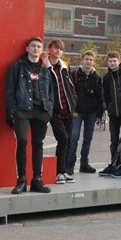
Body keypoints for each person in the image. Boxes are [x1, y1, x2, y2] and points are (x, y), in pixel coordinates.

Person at [5, 37, 54, 194]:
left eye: (39, 46)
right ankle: (21, 181)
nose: (36, 49)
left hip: (41, 111)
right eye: (33, 46)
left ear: (41, 50)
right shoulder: (17, 66)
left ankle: (37, 181)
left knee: (38, 144)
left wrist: (49, 112)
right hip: (22, 110)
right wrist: (13, 111)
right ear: (27, 48)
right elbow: (10, 90)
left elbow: (50, 92)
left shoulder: (45, 70)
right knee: (22, 141)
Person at [44, 39, 78, 182]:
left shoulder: (65, 67)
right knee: (63, 139)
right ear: (49, 49)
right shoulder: (43, 67)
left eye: (61, 49)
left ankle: (63, 171)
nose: (58, 51)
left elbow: (70, 87)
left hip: (68, 109)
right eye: (55, 48)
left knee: (68, 141)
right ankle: (59, 172)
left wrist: (73, 104)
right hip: (55, 111)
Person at [70, 50, 104, 174]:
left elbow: (100, 96)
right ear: (82, 60)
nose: (88, 61)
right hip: (77, 112)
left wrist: (100, 114)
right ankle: (70, 164)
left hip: (91, 112)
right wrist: (72, 109)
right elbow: (70, 93)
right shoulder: (74, 75)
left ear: (93, 61)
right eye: (86, 59)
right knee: (73, 138)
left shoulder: (97, 77)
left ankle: (84, 164)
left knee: (88, 139)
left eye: (91, 59)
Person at [101, 52, 121, 171]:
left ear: (119, 61)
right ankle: (114, 163)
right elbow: (106, 95)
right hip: (113, 113)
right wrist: (108, 107)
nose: (112, 63)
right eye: (110, 61)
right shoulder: (106, 78)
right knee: (113, 140)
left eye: (114, 61)